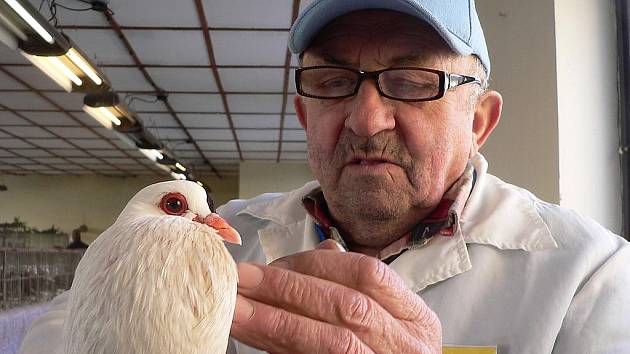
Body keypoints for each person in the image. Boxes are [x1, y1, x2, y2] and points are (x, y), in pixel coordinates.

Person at [19, 1, 630, 353]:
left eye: (415, 82)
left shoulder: (591, 277)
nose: (365, 119)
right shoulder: (219, 235)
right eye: (334, 82)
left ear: (480, 121)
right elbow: (55, 333)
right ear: (305, 114)